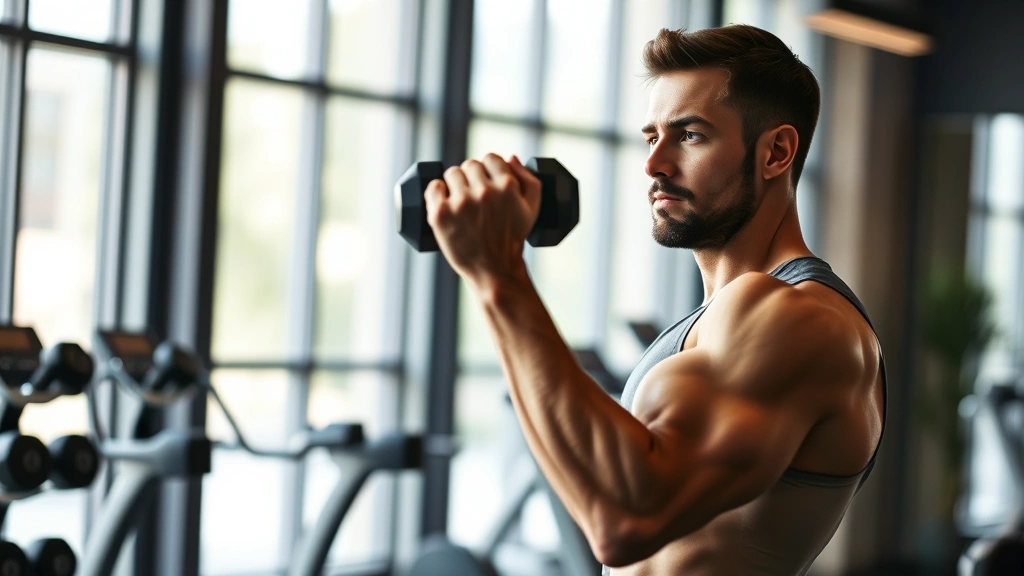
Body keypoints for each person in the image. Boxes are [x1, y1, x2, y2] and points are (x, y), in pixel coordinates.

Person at [423, 24, 886, 576]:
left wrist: (498, 274)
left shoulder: (797, 316)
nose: (654, 164)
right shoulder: (723, 315)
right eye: (652, 137)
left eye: (690, 135)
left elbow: (625, 521)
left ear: (776, 153)